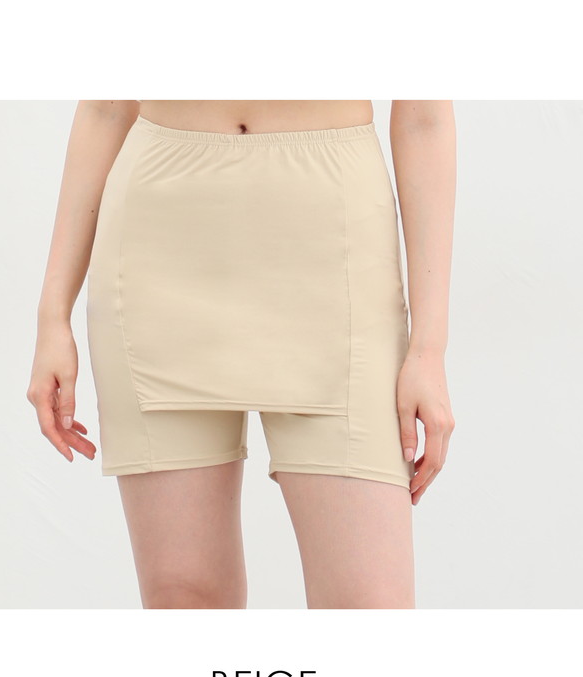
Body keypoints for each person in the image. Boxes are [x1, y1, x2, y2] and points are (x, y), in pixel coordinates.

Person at [26, 100, 456, 610]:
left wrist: (429, 349)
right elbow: (105, 107)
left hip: (336, 250)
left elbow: (424, 119)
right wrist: (52, 316)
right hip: (158, 244)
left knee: (368, 604)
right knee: (184, 597)